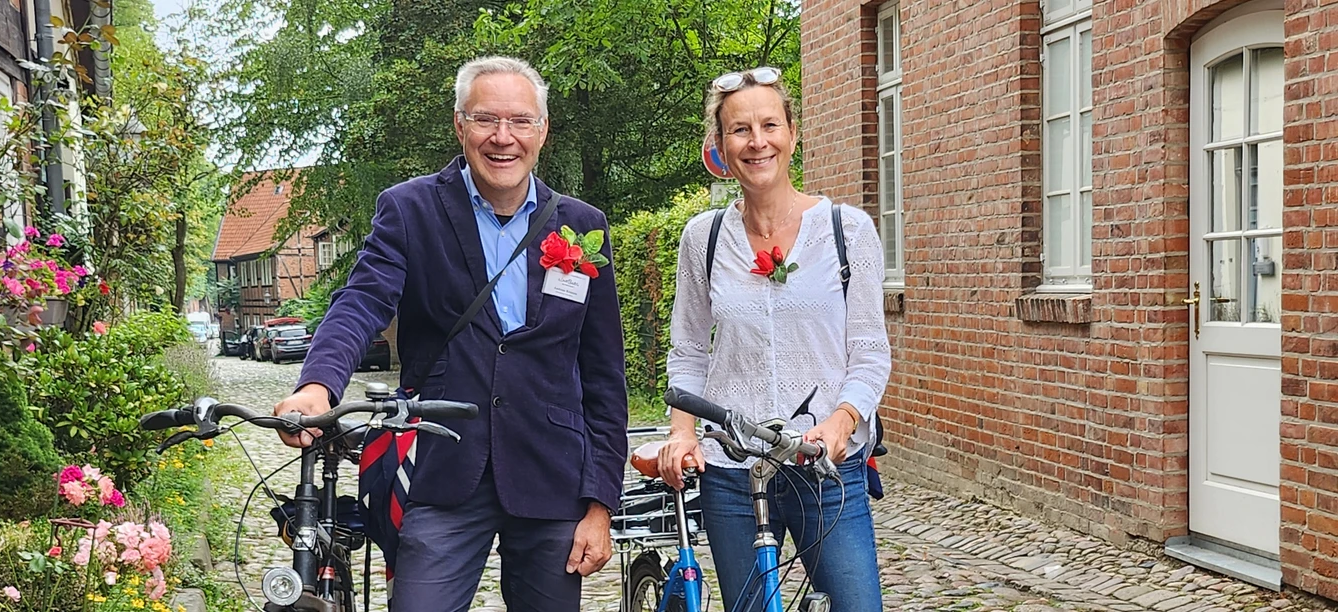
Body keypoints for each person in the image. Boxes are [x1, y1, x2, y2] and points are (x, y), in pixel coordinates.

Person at [272, 56, 629, 612]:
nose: (502, 137)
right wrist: (318, 383)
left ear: (543, 130)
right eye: (486, 119)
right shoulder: (410, 209)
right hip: (441, 471)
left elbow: (605, 374)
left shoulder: (583, 225)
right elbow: (362, 301)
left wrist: (601, 502)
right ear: (460, 126)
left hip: (551, 476)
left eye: (520, 121)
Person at [656, 66, 891, 611]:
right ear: (719, 144)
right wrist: (683, 432)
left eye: (769, 125)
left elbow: (870, 351)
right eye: (739, 129)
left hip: (824, 468)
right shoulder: (703, 238)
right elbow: (689, 349)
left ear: (792, 132)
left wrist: (843, 419)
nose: (756, 141)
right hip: (732, 470)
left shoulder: (847, 230)